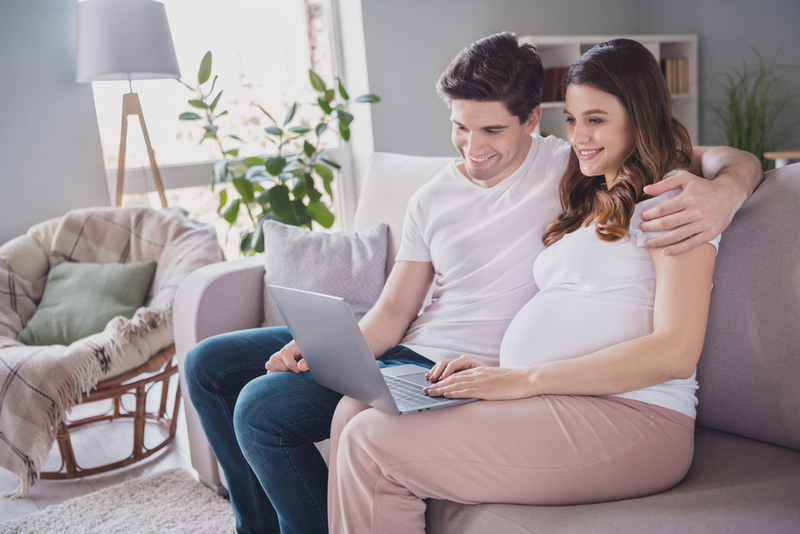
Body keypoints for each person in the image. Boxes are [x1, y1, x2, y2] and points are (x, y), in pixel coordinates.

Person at [183, 33, 762, 534]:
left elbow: (721, 169)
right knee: (230, 372)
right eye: (576, 118)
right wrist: (333, 345)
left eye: (597, 119)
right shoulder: (584, 190)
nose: (473, 148)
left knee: (292, 416)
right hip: (518, 382)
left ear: (530, 122)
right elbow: (392, 311)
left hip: (611, 408)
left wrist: (729, 187)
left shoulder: (655, 195)